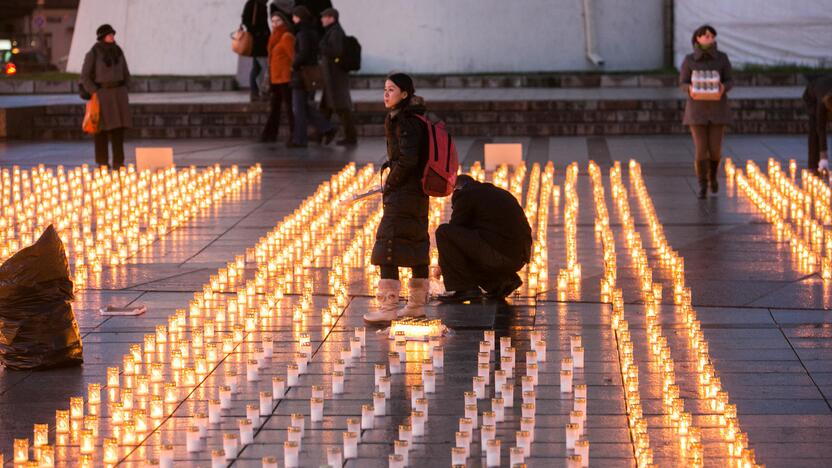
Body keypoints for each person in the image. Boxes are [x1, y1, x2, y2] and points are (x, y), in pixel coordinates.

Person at [363, 73, 431, 324]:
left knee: (387, 246)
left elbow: (408, 160)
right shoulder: (412, 118)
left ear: (404, 94)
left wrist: (390, 182)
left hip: (404, 192)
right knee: (415, 244)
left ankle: (388, 307)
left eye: (391, 90)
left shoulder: (406, 122)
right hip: (417, 193)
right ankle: (416, 306)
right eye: (385, 89)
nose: (386, 94)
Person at [434, 175, 532, 303]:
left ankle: (464, 289)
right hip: (518, 256)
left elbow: (454, 231)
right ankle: (501, 282)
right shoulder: (494, 192)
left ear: (457, 189)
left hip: (500, 254)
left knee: (443, 232)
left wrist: (443, 265)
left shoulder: (466, 194)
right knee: (473, 244)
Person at [679, 24, 733, 199]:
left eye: (712, 36)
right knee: (701, 149)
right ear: (698, 38)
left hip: (717, 109)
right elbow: (682, 82)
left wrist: (723, 87)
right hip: (697, 110)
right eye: (706, 36)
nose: (709, 38)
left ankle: (713, 176)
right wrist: (690, 89)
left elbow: (730, 79)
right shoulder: (689, 60)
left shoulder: (722, 58)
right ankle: (702, 184)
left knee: (715, 149)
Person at [80, 24, 131, 170]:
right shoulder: (93, 53)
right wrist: (95, 92)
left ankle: (118, 162)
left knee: (118, 131)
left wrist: (126, 87)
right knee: (101, 131)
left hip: (119, 95)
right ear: (102, 36)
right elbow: (85, 76)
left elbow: (126, 71)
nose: (112, 37)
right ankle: (102, 161)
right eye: (109, 35)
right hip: (102, 96)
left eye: (113, 34)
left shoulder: (118, 51)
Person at [288, 6, 335, 148]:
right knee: (304, 107)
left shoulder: (302, 33)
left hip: (301, 74)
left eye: (294, 16)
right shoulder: (313, 32)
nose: (292, 19)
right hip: (309, 74)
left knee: (299, 108)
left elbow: (303, 53)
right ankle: (327, 129)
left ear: (299, 17)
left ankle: (300, 140)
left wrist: (294, 65)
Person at [318, 8, 357, 146]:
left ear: (331, 18)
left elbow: (336, 51)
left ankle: (351, 137)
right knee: (326, 107)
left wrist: (322, 47)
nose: (322, 19)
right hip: (331, 77)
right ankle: (321, 132)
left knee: (342, 107)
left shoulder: (335, 32)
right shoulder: (332, 31)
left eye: (324, 17)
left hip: (335, 77)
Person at [260, 10, 295, 143]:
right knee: (275, 107)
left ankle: (294, 134)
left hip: (285, 78)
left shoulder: (286, 36)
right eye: (273, 21)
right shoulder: (273, 36)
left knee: (289, 107)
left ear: (283, 21)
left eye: (278, 21)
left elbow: (292, 56)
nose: (275, 24)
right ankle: (269, 134)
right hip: (275, 78)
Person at [803, 75, 832, 174]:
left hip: (825, 87)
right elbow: (821, 128)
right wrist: (823, 154)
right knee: (814, 128)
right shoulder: (821, 103)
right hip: (811, 98)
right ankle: (813, 166)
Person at [242, 0, 271, 101]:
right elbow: (245, 20)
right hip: (258, 42)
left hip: (262, 42)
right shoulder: (253, 4)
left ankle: (255, 92)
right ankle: (263, 91)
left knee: (257, 68)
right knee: (265, 67)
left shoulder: (261, 4)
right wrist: (258, 33)